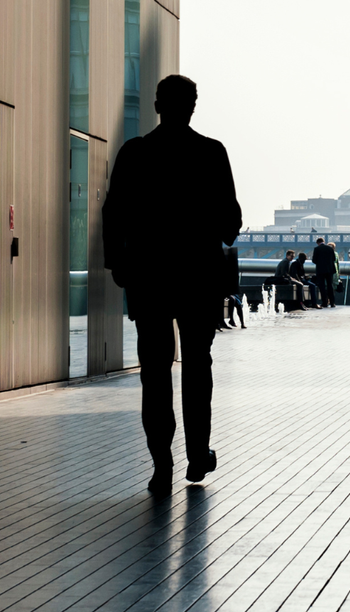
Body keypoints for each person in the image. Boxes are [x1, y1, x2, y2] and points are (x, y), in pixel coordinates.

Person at [100, 74, 242, 493]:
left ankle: (161, 464)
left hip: (148, 277)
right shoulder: (211, 153)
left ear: (157, 106)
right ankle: (198, 455)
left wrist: (118, 265)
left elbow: (113, 214)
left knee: (155, 372)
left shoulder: (135, 153)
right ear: (192, 106)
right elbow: (230, 224)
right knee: (197, 366)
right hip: (199, 278)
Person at [311, 237, 338, 308]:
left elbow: (314, 260)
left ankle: (324, 303)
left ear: (317, 243)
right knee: (330, 286)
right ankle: (332, 303)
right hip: (330, 270)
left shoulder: (317, 249)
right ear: (324, 241)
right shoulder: (330, 248)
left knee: (322, 286)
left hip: (320, 271)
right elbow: (334, 259)